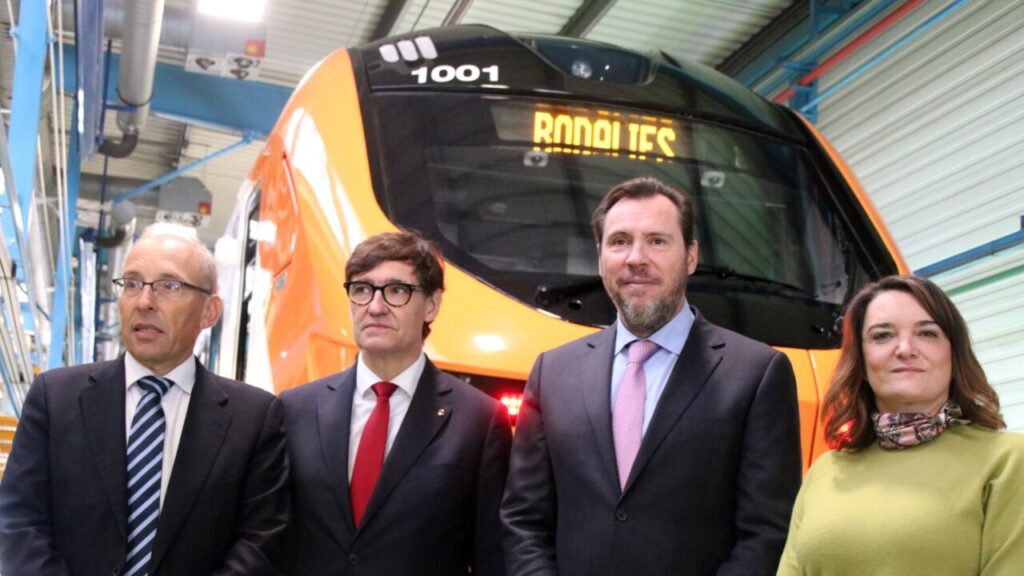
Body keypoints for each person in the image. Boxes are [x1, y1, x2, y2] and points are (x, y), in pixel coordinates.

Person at [501, 176, 802, 575]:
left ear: (691, 256)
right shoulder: (553, 372)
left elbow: (767, 534)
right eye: (619, 241)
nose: (635, 258)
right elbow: (523, 520)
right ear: (600, 256)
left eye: (657, 241)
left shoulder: (756, 374)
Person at [0, 222, 289, 576]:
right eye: (132, 284)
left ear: (209, 311)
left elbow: (260, 541)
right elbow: (18, 522)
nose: (145, 302)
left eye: (170, 286)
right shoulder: (55, 398)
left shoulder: (254, 418)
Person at [280, 230, 512, 576]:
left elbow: (492, 555)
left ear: (431, 305)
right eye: (361, 290)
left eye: (396, 291)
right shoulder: (295, 409)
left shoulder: (478, 419)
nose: (375, 306)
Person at [778, 275, 1024, 575]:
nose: (905, 349)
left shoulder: (1008, 460)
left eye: (927, 333)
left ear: (954, 355)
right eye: (883, 336)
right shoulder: (825, 470)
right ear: (862, 362)